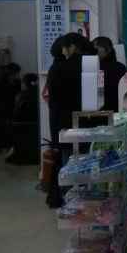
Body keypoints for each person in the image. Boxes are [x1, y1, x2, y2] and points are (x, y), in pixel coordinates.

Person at [46, 33, 93, 207]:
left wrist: (54, 134)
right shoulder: (92, 64)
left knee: (68, 165)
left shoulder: (58, 69)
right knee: (89, 164)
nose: (64, 51)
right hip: (90, 123)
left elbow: (54, 104)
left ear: (71, 47)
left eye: (65, 48)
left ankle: (70, 205)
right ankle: (86, 202)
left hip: (65, 124)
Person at [92, 37, 126, 112]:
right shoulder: (121, 67)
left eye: (95, 49)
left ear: (107, 49)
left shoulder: (95, 68)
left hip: (99, 111)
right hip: (117, 110)